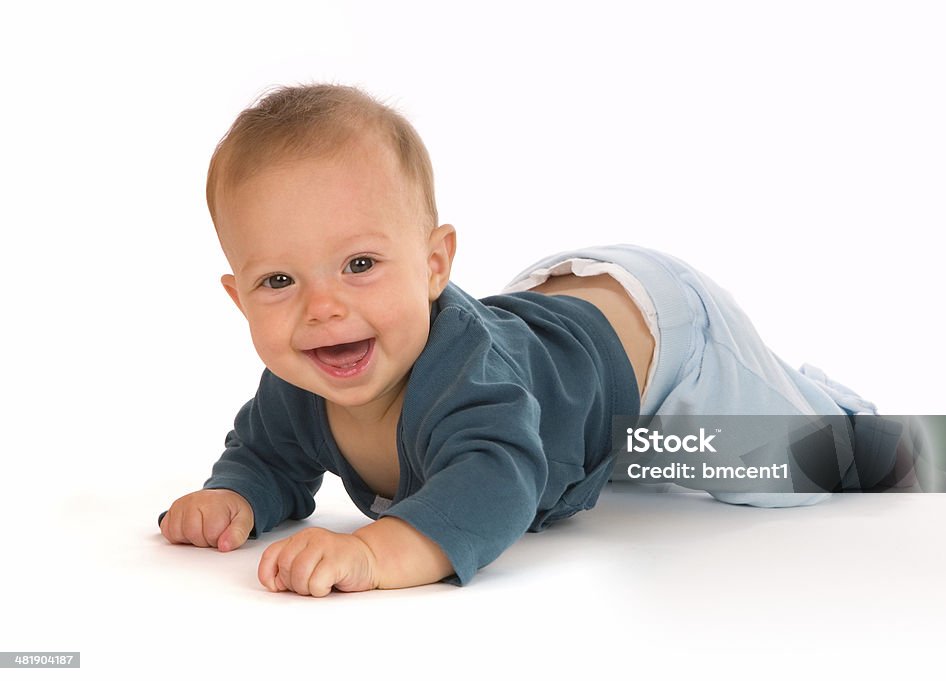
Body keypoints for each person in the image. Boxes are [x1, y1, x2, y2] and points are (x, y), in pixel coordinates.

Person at [158, 84, 884, 596]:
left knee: (797, 466)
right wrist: (236, 495)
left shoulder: (473, 378)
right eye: (278, 281)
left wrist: (376, 553)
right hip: (556, 326)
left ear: (434, 264)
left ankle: (847, 416)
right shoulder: (299, 382)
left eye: (359, 265)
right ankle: (619, 447)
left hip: (662, 336)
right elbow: (266, 454)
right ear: (237, 296)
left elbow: (496, 481)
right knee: (643, 458)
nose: (322, 307)